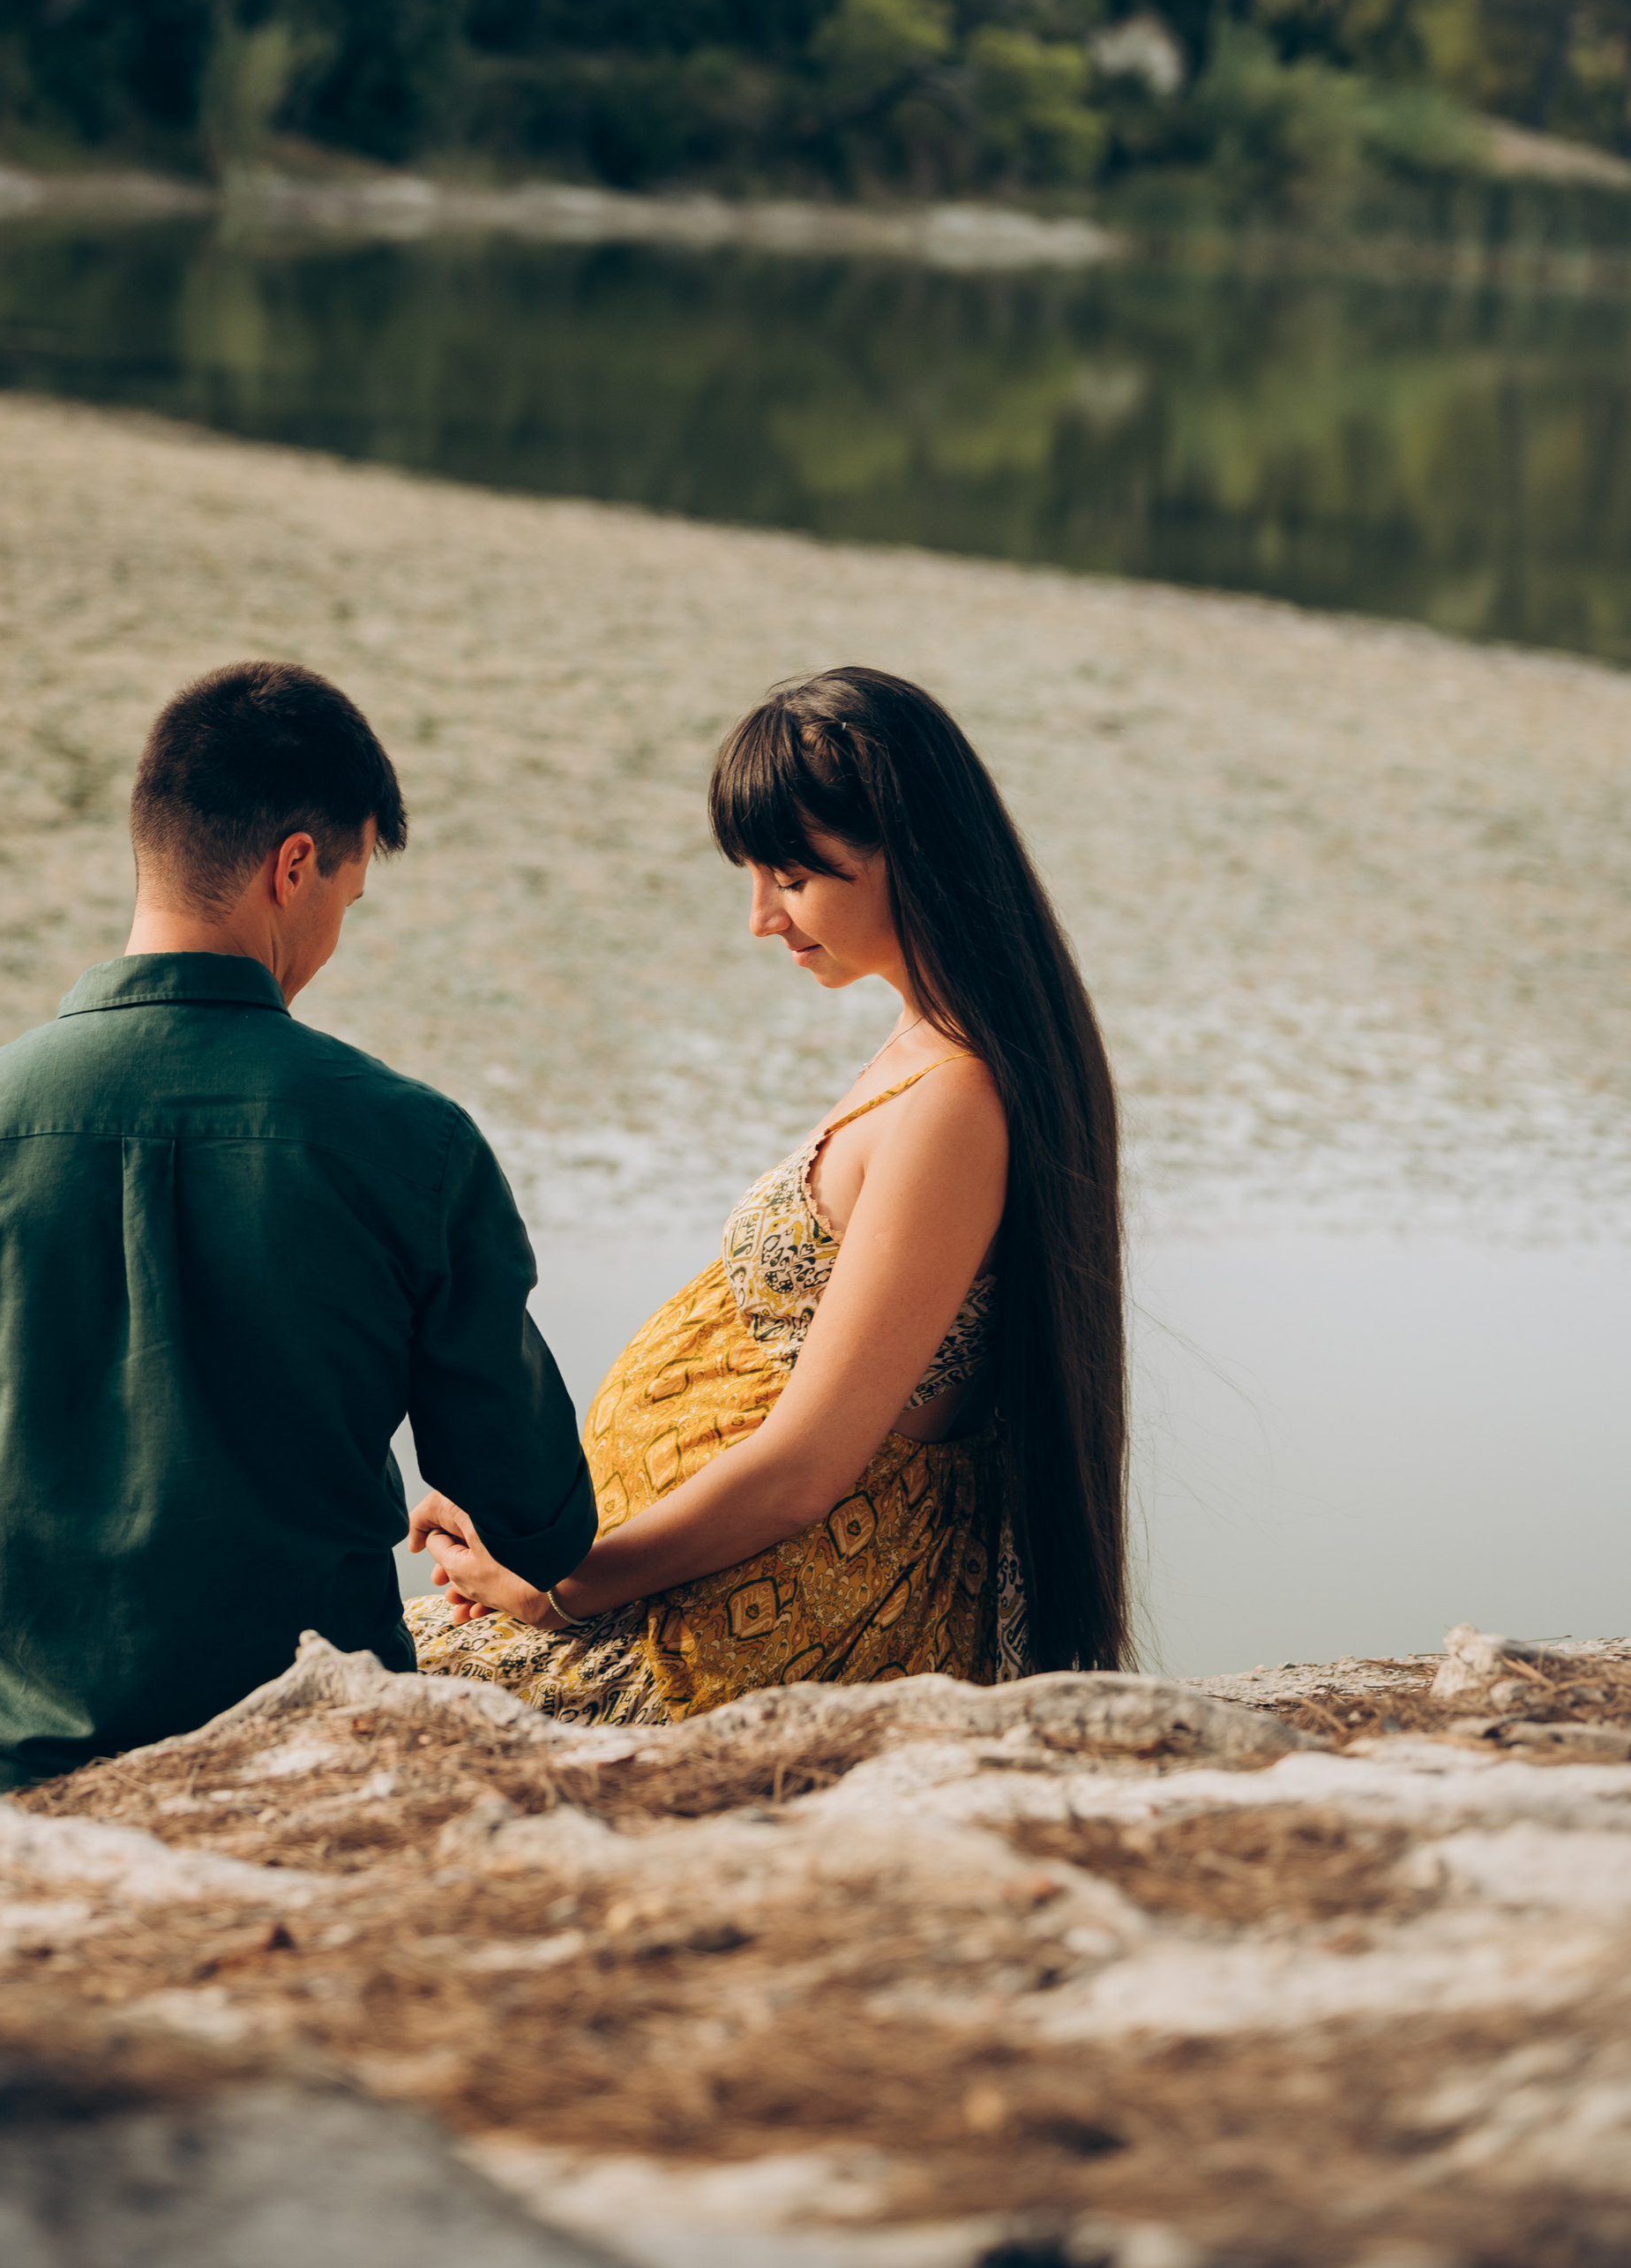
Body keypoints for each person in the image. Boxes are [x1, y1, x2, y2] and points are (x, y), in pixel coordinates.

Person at [0, 659, 595, 1788]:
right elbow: (541, 1520)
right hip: (303, 1751)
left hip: (6, 1748)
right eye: (347, 894)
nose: (336, 930)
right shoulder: (415, 1143)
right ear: (294, 866)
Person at [406, 667, 1128, 1715]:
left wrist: (562, 1583)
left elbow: (807, 1464)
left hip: (777, 1625)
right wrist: (544, 1519)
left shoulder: (960, 1099)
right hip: (694, 1582)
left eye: (792, 875)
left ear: (911, 856)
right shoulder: (928, 1050)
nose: (760, 916)